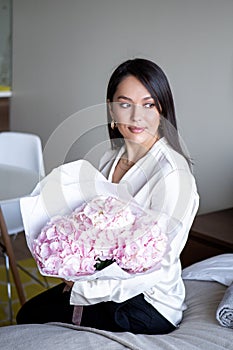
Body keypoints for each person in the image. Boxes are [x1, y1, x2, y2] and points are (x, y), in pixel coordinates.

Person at [16, 58, 199, 335]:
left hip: (148, 302)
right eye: (125, 104)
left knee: (32, 320)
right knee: (28, 313)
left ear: (162, 109)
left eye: (148, 104)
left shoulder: (173, 175)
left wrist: (84, 286)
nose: (137, 116)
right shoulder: (108, 158)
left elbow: (157, 266)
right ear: (111, 109)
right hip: (104, 287)